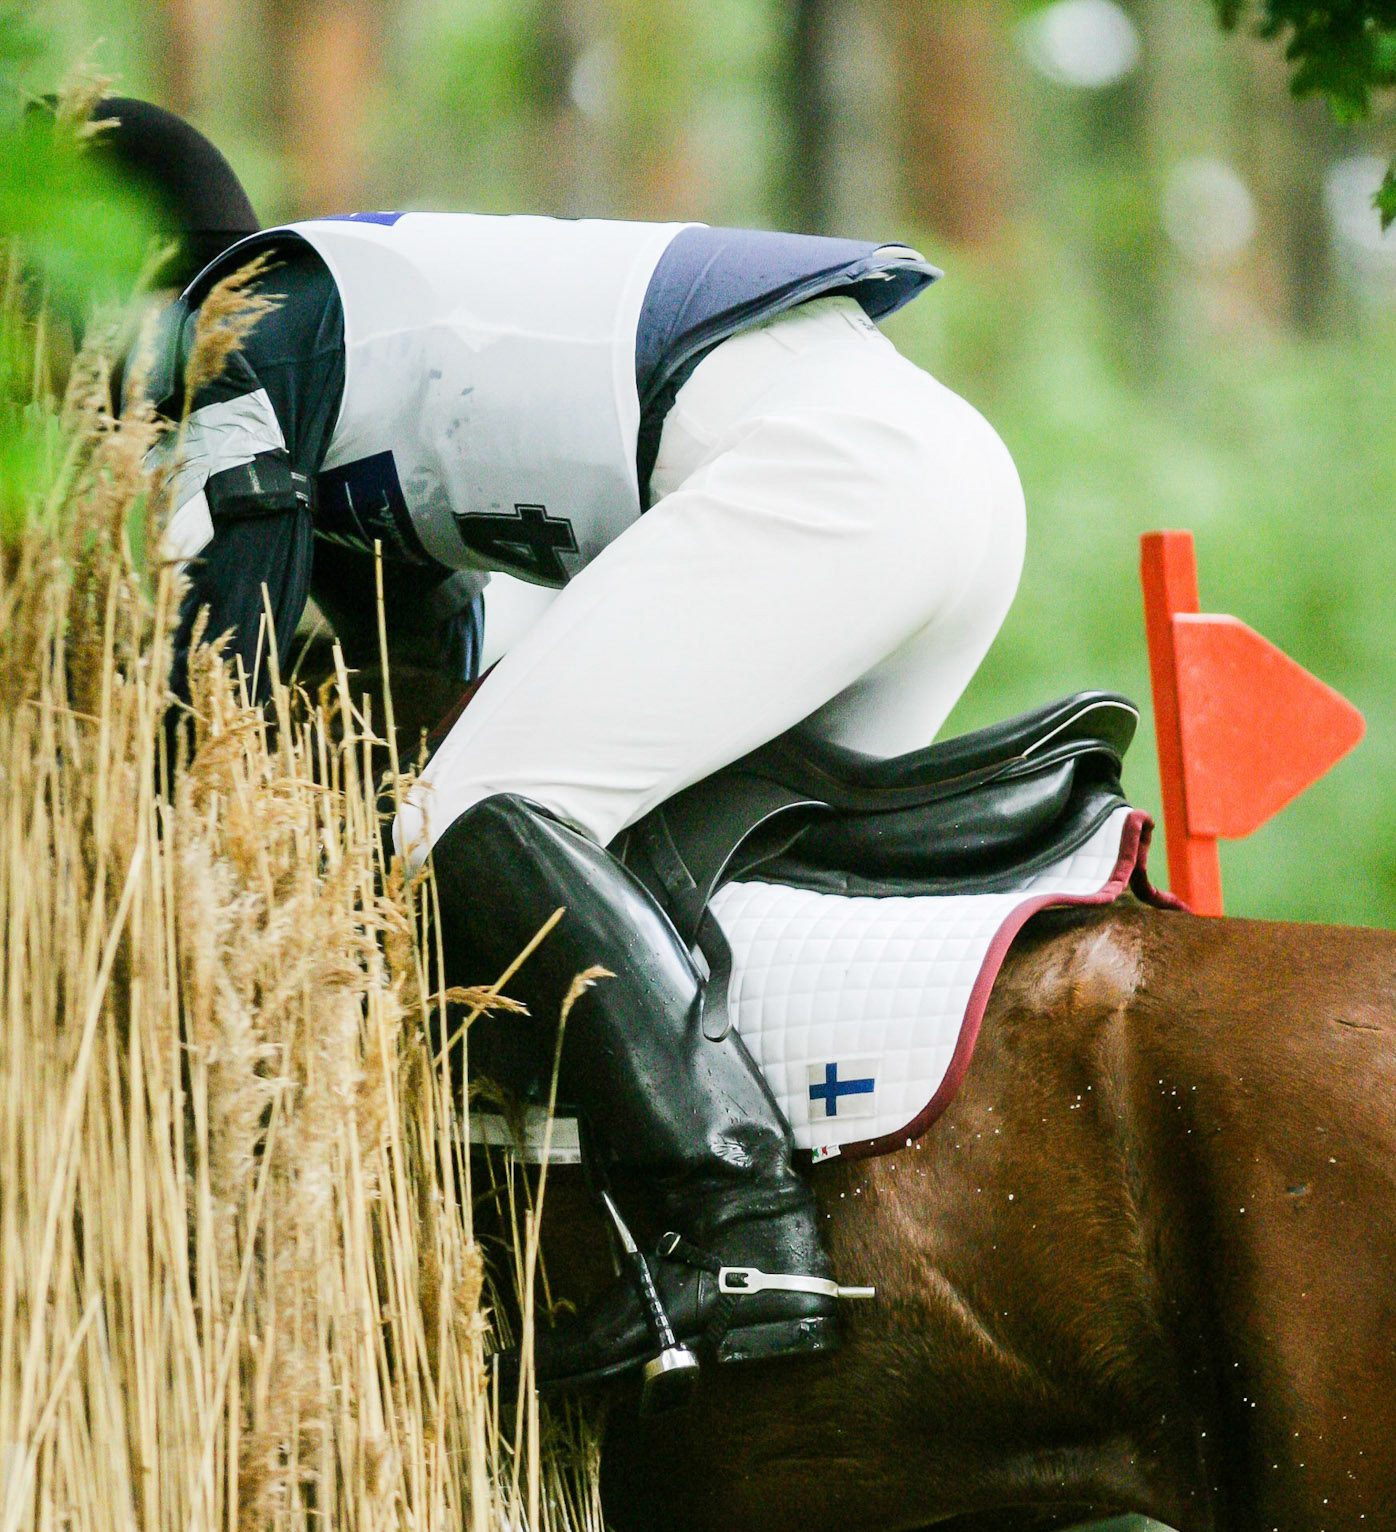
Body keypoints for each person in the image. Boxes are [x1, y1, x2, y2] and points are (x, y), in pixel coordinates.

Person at [100, 102, 1027, 1395]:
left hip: (834, 481)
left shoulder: (230, 330)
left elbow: (209, 695)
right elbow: (430, 678)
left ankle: (739, 1229)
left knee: (460, 828)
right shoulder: (338, 337)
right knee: (654, 885)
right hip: (938, 487)